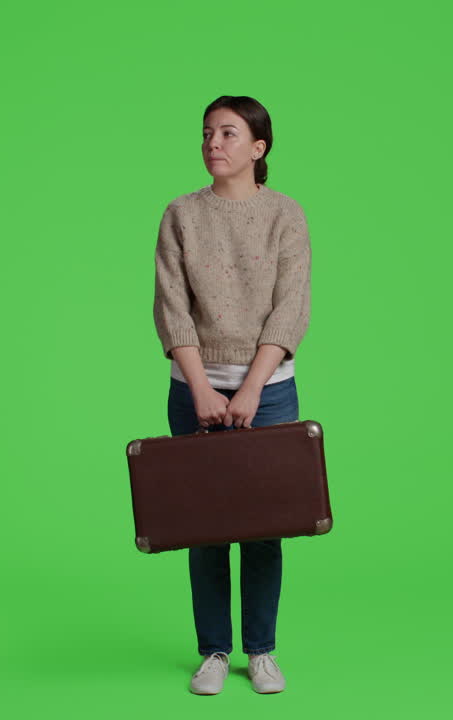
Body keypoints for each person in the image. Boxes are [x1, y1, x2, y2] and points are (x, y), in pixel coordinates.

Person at [153, 95, 311, 695]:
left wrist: (249, 389)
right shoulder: (180, 214)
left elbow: (291, 307)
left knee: (265, 526)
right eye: (206, 134)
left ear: (258, 147)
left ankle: (262, 650)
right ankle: (214, 650)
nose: (213, 144)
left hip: (268, 393)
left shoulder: (286, 216)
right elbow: (172, 308)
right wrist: (200, 388)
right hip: (192, 389)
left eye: (227, 133)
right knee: (205, 526)